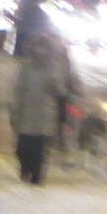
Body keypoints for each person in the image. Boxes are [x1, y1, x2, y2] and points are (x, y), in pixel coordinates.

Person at [10, 30, 72, 184]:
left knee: (40, 151)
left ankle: (36, 178)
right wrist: (15, 113)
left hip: (45, 117)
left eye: (45, 48)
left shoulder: (54, 69)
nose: (41, 52)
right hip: (26, 115)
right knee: (23, 149)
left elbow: (62, 92)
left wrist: (55, 87)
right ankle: (25, 169)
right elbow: (19, 92)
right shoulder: (26, 68)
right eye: (38, 48)